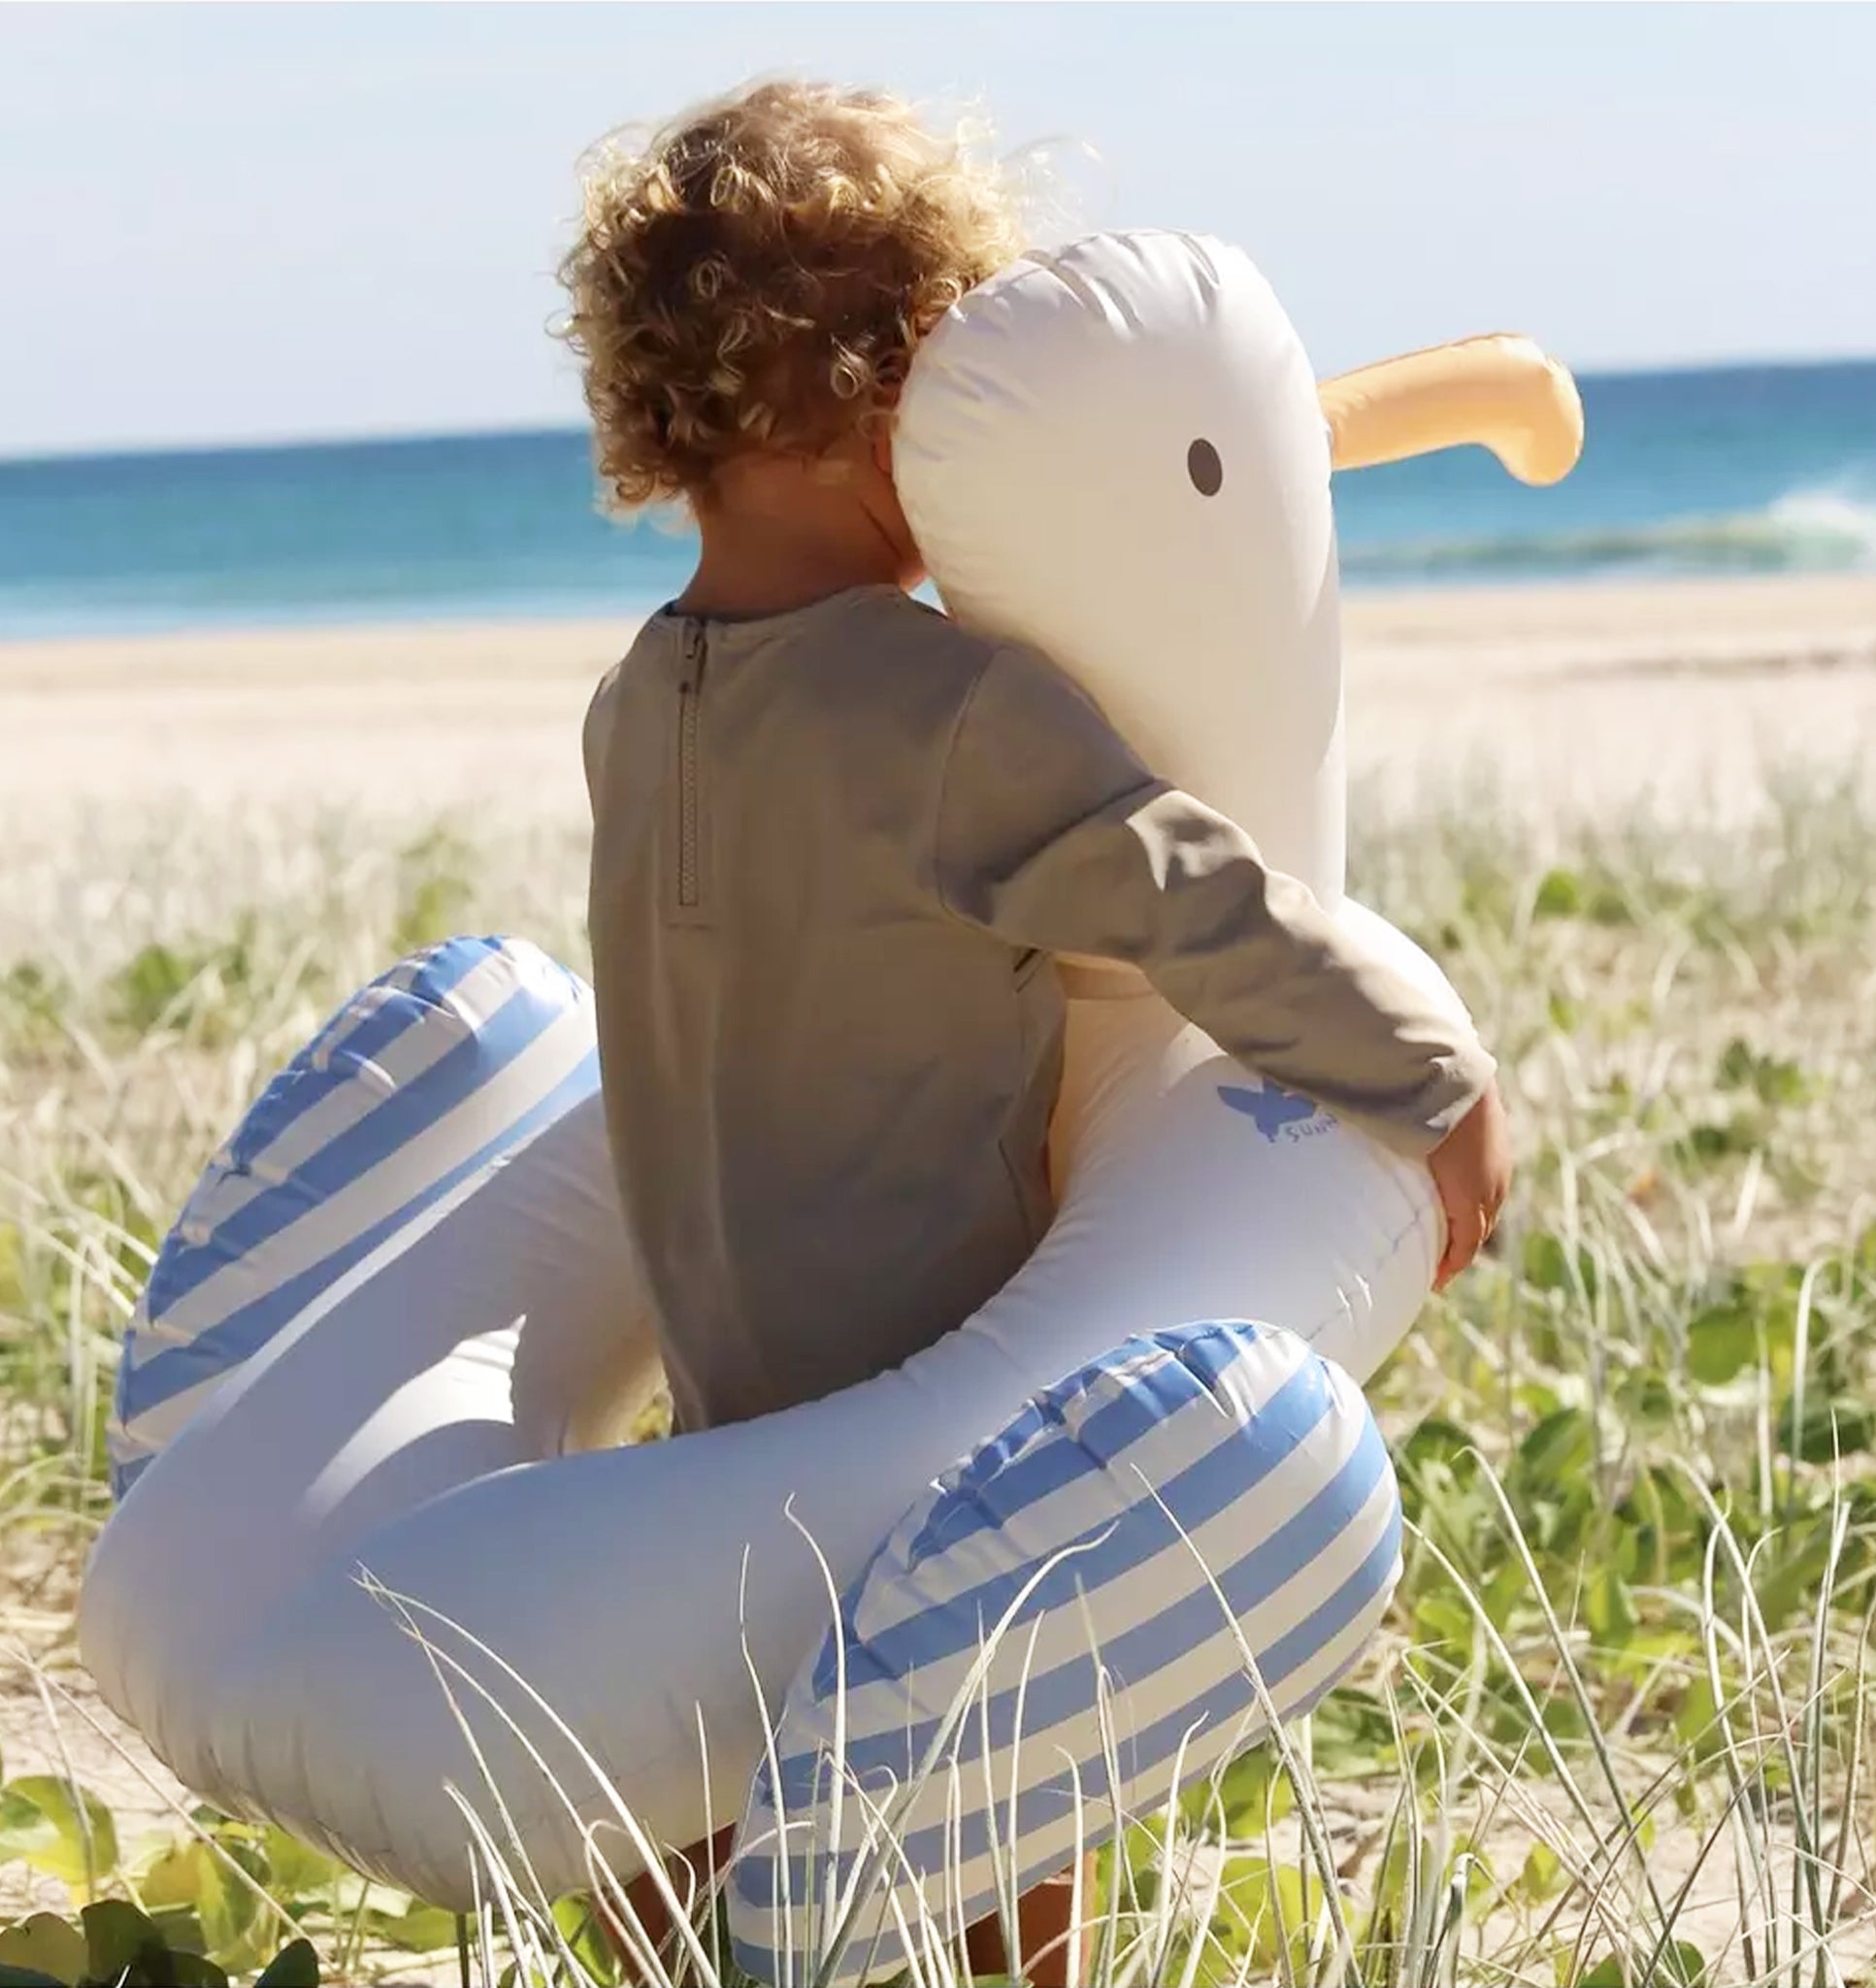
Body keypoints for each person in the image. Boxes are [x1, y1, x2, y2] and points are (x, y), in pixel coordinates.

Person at [559, 77, 1511, 1987]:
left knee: (715, 1782)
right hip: (939, 1392)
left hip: (722, 1390)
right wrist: (1429, 1078)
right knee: (1006, 1809)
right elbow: (1191, 892)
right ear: (900, 385)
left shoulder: (635, 703)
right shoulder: (938, 709)